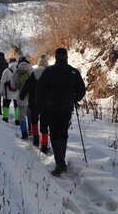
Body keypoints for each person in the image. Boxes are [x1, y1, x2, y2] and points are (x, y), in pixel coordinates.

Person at [36, 48, 86, 176]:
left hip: (51, 108)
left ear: (56, 57)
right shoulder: (73, 72)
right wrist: (73, 99)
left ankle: (60, 164)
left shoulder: (49, 71)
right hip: (67, 108)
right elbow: (81, 91)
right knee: (63, 134)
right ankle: (61, 160)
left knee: (55, 135)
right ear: (67, 57)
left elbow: (40, 89)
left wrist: (40, 104)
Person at [20, 53, 49, 149]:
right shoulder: (50, 72)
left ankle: (36, 140)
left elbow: (27, 85)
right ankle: (44, 145)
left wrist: (23, 94)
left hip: (34, 101)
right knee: (44, 123)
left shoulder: (34, 73)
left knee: (34, 121)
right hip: (46, 102)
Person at [12, 54, 34, 139]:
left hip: (21, 97)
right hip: (31, 97)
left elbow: (13, 85)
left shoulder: (16, 72)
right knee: (30, 115)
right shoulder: (31, 70)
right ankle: (31, 130)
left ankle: (24, 134)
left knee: (22, 116)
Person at [0, 58, 19, 124]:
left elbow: (2, 82)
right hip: (17, 92)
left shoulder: (6, 71)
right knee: (17, 107)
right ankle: (17, 120)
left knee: (6, 105)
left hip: (7, 92)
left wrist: (1, 91)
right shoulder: (19, 70)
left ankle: (5, 118)